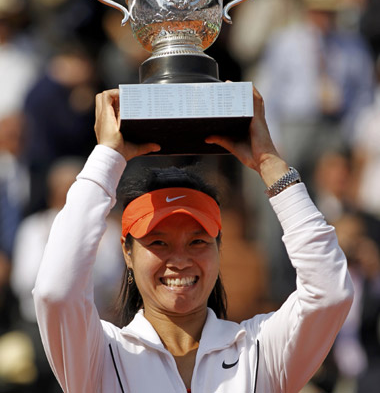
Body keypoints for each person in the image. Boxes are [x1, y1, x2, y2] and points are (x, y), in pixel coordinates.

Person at [33, 87, 354, 392]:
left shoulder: (259, 350)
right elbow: (56, 291)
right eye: (158, 243)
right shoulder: (102, 355)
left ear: (219, 249)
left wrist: (270, 163)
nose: (180, 259)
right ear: (127, 253)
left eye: (197, 241)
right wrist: (106, 159)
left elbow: (330, 294)